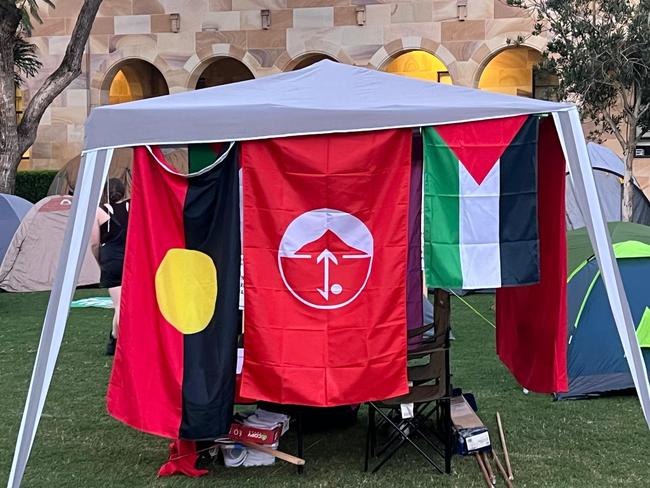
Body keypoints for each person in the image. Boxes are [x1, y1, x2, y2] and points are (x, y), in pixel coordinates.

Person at [90, 178, 130, 355]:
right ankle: (115, 339)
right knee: (128, 305)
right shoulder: (133, 206)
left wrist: (100, 261)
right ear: (123, 192)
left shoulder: (99, 211)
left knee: (119, 306)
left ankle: (117, 340)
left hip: (111, 259)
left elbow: (94, 243)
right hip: (131, 257)